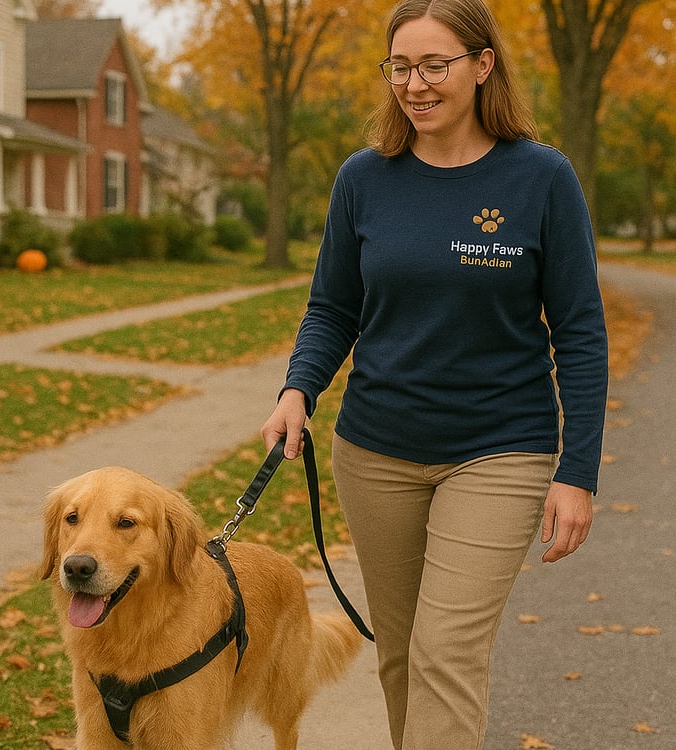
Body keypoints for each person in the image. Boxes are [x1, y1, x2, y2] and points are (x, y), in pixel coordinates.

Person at [261, 0, 608, 748]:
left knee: (445, 654)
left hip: (499, 450)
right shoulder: (365, 179)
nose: (415, 85)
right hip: (376, 451)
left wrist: (577, 470)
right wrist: (299, 389)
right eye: (400, 67)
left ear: (483, 67)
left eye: (433, 65)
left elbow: (580, 332)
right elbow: (332, 309)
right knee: (401, 659)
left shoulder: (542, 179)